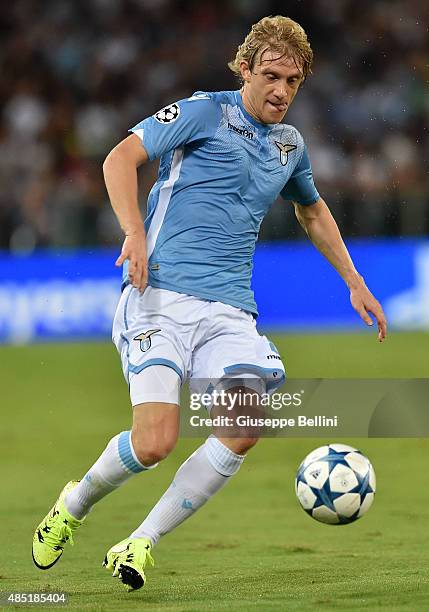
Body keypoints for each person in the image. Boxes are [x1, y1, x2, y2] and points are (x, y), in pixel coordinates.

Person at [32, 15, 387, 591]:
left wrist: (354, 280)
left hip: (228, 311)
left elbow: (312, 210)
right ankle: (74, 505)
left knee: (244, 425)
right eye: (270, 76)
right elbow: (119, 159)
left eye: (293, 82)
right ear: (244, 69)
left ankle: (140, 542)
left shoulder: (289, 146)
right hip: (160, 297)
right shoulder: (202, 112)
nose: (280, 91)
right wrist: (134, 232)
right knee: (154, 443)